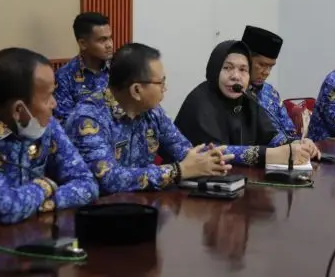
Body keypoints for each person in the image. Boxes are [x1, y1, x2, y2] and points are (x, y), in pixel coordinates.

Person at [0, 48, 99, 229]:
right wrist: (45, 186)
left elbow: (87, 183)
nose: (54, 104)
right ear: (18, 110)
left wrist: (49, 202)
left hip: (31, 232)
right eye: (48, 96)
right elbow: (4, 208)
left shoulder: (40, 120)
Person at [65, 43, 233, 195]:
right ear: (136, 90)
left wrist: (210, 159)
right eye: (161, 83)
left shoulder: (152, 112)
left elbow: (183, 152)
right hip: (96, 213)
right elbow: (110, 179)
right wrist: (178, 171)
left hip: (142, 207)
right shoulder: (88, 119)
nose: (165, 89)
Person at [174, 40, 316, 167]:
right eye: (227, 68)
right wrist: (267, 155)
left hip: (237, 179)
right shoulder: (199, 101)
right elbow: (211, 152)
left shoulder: (247, 98)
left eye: (243, 70)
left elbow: (270, 135)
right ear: (215, 69)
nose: (236, 76)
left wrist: (296, 144)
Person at [54, 12, 113, 122]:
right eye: (102, 40)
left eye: (110, 38)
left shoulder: (119, 68)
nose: (109, 45)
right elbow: (64, 121)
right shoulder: (64, 76)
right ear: (83, 43)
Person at [243, 25, 298, 138]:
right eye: (262, 65)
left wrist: (299, 143)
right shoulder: (234, 94)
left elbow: (289, 130)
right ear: (245, 59)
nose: (267, 72)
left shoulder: (271, 92)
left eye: (271, 67)